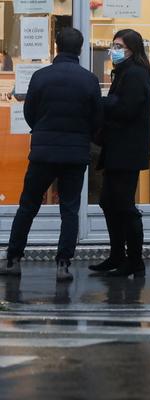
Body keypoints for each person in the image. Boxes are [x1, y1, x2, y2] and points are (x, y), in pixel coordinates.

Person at [0, 28, 102, 281]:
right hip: (75, 154)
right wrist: (82, 136)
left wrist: (42, 130)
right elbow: (97, 119)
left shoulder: (41, 76)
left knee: (28, 205)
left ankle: (13, 259)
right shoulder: (89, 80)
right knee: (69, 208)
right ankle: (64, 264)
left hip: (43, 152)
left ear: (56, 47)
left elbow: (29, 112)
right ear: (79, 49)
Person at [89, 29, 150, 278]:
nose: (113, 50)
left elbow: (126, 109)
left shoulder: (135, 74)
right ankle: (118, 255)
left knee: (124, 205)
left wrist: (101, 103)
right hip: (119, 147)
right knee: (108, 201)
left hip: (127, 150)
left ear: (132, 50)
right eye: (113, 45)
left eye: (118, 46)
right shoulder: (125, 72)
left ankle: (135, 261)